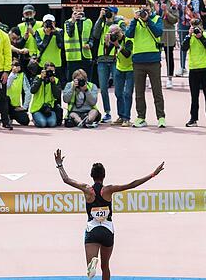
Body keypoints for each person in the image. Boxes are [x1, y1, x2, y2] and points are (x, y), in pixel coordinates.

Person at [54, 149, 163, 280]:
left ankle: (91, 265)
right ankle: (96, 265)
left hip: (92, 229)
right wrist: (153, 174)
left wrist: (60, 164)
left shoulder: (87, 189)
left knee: (90, 270)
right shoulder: (108, 190)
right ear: (104, 176)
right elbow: (131, 185)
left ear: (91, 175)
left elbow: (66, 179)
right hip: (107, 230)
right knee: (105, 267)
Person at [124, 6, 165, 129]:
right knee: (139, 92)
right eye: (141, 9)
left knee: (157, 91)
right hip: (138, 61)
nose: (143, 11)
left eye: (145, 9)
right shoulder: (135, 22)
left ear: (150, 8)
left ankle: (161, 117)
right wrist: (135, 20)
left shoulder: (157, 18)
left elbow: (158, 32)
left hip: (153, 60)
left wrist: (148, 20)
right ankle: (141, 117)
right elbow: (128, 34)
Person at [181, 19, 206, 127]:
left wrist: (200, 36)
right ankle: (193, 119)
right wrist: (189, 35)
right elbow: (183, 48)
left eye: (197, 25)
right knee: (194, 96)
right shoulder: (190, 36)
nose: (196, 27)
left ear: (201, 25)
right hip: (194, 69)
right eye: (193, 25)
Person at [93, 18, 124, 121]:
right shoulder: (101, 24)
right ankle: (107, 113)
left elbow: (123, 36)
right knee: (103, 88)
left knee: (118, 88)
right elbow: (95, 34)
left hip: (115, 60)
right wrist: (100, 18)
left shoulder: (118, 23)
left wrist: (115, 37)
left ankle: (122, 114)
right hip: (102, 60)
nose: (110, 34)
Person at [153, 0, 178, 88]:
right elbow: (151, 17)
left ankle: (169, 78)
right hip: (156, 33)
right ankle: (155, 78)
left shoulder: (172, 3)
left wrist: (166, 11)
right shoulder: (153, 2)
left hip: (168, 33)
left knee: (169, 56)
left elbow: (175, 19)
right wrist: (157, 10)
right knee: (155, 57)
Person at [64, 5, 94, 84]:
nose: (78, 10)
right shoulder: (68, 22)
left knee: (87, 81)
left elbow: (91, 37)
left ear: (83, 9)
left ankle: (87, 95)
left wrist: (90, 44)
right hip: (73, 57)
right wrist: (73, 22)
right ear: (72, 9)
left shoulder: (88, 21)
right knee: (73, 82)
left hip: (86, 55)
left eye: (80, 8)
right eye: (76, 8)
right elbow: (69, 34)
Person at [174, 0, 200, 75]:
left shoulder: (194, 0)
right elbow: (173, 10)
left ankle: (196, 66)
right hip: (182, 24)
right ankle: (182, 67)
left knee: (195, 45)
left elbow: (196, 11)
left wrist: (190, 7)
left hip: (193, 24)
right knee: (183, 46)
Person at [30, 62, 62, 128]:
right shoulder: (38, 77)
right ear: (44, 71)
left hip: (49, 109)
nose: (50, 73)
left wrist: (53, 83)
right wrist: (41, 79)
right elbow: (32, 91)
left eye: (52, 71)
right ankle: (35, 119)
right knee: (42, 123)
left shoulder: (56, 80)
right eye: (48, 71)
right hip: (37, 108)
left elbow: (57, 96)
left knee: (52, 123)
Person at [35, 14, 65, 84]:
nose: (48, 24)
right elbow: (40, 47)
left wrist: (56, 33)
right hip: (43, 63)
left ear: (54, 23)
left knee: (56, 84)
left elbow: (61, 46)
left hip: (56, 63)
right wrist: (47, 35)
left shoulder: (59, 31)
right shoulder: (38, 31)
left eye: (50, 22)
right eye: (46, 22)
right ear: (43, 23)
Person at [5, 59, 31, 126]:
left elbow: (28, 92)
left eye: (17, 65)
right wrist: (13, 74)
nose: (16, 67)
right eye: (14, 65)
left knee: (25, 121)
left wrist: (25, 107)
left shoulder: (22, 75)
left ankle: (11, 116)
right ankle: (6, 116)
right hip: (5, 103)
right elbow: (7, 86)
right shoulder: (6, 74)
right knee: (0, 103)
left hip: (16, 106)